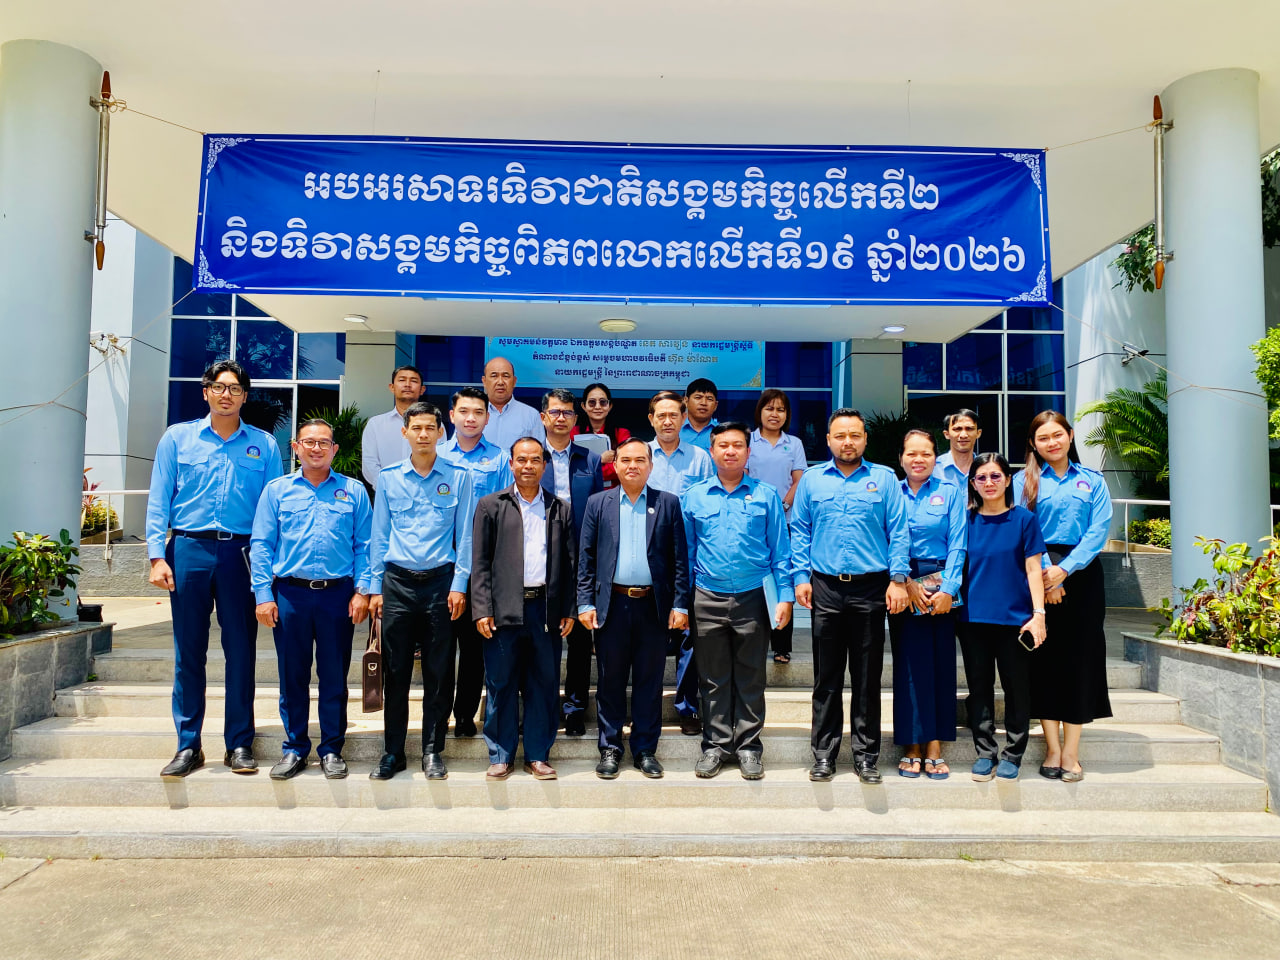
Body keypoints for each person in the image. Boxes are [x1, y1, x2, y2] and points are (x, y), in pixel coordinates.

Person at [146, 360, 283, 779]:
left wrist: (268, 569)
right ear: (205, 391)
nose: (227, 395)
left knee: (240, 651)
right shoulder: (177, 438)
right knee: (189, 652)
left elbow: (273, 510)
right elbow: (159, 498)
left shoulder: (264, 445)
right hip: (188, 548)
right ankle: (188, 744)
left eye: (235, 388)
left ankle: (239, 743)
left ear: (245, 396)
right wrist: (156, 556)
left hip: (241, 553)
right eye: (219, 387)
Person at [790, 408, 910, 784]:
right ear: (828, 440)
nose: (848, 442)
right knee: (826, 677)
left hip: (871, 588)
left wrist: (898, 579)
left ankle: (866, 756)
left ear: (864, 439)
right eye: (840, 435)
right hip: (825, 587)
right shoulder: (812, 480)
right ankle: (824, 754)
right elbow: (800, 530)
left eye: (855, 435)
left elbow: (899, 531)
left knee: (867, 677)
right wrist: (800, 577)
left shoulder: (884, 479)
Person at [249, 418, 372, 780]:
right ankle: (294, 748)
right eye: (309, 442)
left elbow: (365, 545)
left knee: (334, 677)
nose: (317, 448)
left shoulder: (353, 491)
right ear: (296, 448)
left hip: (338, 596)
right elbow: (261, 544)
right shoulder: (277, 491)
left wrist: (363, 591)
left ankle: (332, 749)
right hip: (290, 595)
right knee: (293, 676)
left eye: (324, 443)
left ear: (335, 450)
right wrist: (263, 594)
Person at [367, 402, 475, 781]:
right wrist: (375, 588)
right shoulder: (389, 478)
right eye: (417, 428)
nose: (424, 434)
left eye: (431, 428)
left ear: (441, 433)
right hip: (397, 584)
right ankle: (393, 752)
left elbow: (466, 535)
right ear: (405, 433)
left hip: (441, 585)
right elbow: (379, 535)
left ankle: (432, 749)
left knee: (439, 671)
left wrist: (460, 585)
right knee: (395, 671)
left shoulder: (459, 476)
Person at [682, 422, 794, 780]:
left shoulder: (766, 495)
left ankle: (748, 747)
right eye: (723, 445)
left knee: (751, 675)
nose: (730, 451)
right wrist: (683, 603)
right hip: (707, 596)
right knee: (712, 677)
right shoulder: (694, 496)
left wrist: (785, 597)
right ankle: (715, 746)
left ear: (748, 452)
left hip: (754, 597)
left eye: (737, 445)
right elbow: (686, 554)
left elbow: (781, 552)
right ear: (712, 451)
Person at [577, 438, 690, 780]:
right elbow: (586, 557)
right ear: (615, 465)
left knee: (649, 681)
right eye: (626, 460)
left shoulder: (667, 503)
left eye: (640, 460)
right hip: (612, 605)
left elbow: (679, 559)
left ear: (650, 466)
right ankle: (610, 748)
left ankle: (644, 749)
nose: (633, 466)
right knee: (610, 680)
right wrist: (585, 601)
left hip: (653, 607)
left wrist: (680, 603)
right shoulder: (599, 503)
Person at [1015, 411, 1114, 783]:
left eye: (1057, 435)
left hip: (1082, 576)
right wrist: (1047, 576)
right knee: (1044, 661)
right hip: (1036, 572)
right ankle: (1052, 749)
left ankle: (1071, 752)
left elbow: (1097, 531)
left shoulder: (1092, 481)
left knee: (1080, 661)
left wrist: (1065, 570)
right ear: (1033, 443)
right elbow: (1023, 531)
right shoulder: (1023, 482)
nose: (1051, 443)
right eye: (1043, 438)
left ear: (1070, 436)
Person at [471, 437, 577, 780]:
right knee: (501, 682)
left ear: (544, 466)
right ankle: (500, 755)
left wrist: (569, 608)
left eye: (534, 460)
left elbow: (571, 564)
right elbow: (480, 562)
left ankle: (537, 755)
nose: (528, 466)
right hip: (503, 609)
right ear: (511, 464)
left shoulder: (560, 508)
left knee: (543, 683)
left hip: (545, 609)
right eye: (521, 460)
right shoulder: (491, 505)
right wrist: (482, 608)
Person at [960, 452, 1048, 781]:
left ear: (1008, 480)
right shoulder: (965, 521)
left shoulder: (1024, 520)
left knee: (1017, 688)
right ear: (973, 484)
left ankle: (1013, 753)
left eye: (996, 476)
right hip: (973, 620)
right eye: (981, 477)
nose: (989, 482)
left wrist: (1039, 614)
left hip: (1015, 620)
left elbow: (1033, 569)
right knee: (979, 688)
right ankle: (985, 752)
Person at [437, 387, 515, 739]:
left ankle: (465, 714)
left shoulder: (499, 459)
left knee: (473, 647)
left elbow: (504, 512)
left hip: (481, 564)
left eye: (478, 412)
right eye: (464, 411)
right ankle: (438, 715)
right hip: (441, 561)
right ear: (451, 415)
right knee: (440, 646)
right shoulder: (436, 455)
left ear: (487, 418)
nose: (471, 418)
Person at [889, 430, 966, 780]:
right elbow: (886, 538)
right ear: (901, 458)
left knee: (940, 666)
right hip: (902, 583)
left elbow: (958, 543)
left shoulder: (950, 492)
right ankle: (911, 745)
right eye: (911, 453)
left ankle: (934, 745)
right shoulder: (891, 492)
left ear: (936, 458)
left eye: (926, 454)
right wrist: (905, 582)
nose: (918, 460)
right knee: (908, 667)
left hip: (942, 584)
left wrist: (949, 588)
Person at [645, 390, 715, 736]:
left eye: (674, 414)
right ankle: (645, 707)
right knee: (650, 638)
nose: (668, 421)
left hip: (690, 556)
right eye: (661, 415)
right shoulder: (641, 455)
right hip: (649, 559)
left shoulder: (700, 458)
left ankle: (687, 707)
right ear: (652, 419)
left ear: (684, 418)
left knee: (690, 637)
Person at [539, 388, 604, 737]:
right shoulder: (532, 456)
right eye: (555, 411)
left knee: (580, 642)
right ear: (543, 417)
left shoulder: (589, 460)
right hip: (539, 561)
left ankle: (575, 708)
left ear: (575, 419)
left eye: (567, 412)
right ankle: (543, 705)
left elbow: (598, 511)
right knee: (543, 640)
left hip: (581, 561)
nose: (561, 417)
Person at [746, 388, 808, 663]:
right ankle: (755, 641)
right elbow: (743, 477)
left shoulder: (793, 443)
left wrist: (781, 506)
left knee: (784, 578)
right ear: (759, 411)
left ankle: (782, 645)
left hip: (785, 520)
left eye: (780, 409)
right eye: (769, 408)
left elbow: (799, 480)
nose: (774, 414)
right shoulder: (748, 440)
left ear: (787, 415)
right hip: (753, 520)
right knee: (757, 579)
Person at [361, 365, 424, 490]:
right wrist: (389, 487)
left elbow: (438, 460)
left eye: (413, 381)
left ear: (422, 389)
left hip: (424, 494)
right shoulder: (375, 424)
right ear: (392, 387)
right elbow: (369, 464)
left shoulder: (435, 425)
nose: (407, 385)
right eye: (402, 380)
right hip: (387, 493)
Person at [571, 382, 631, 489]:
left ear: (610, 406)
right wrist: (599, 459)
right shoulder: (573, 433)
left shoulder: (622, 434)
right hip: (582, 492)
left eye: (603, 402)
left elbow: (623, 467)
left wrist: (587, 469)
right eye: (592, 402)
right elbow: (572, 468)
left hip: (612, 494)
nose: (597, 407)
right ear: (584, 406)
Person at [481, 356, 545, 453]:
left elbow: (538, 454)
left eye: (506, 376)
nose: (500, 382)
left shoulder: (531, 415)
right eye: (494, 376)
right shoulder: (473, 415)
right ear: (484, 381)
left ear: (514, 381)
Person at [933, 408, 982, 488]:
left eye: (969, 429)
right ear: (947, 434)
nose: (963, 435)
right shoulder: (934, 468)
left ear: (978, 433)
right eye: (957, 429)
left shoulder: (986, 468)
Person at [681, 378, 720, 451]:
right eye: (698, 397)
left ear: (715, 405)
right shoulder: (675, 430)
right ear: (686, 401)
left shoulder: (722, 433)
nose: (703, 403)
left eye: (709, 399)